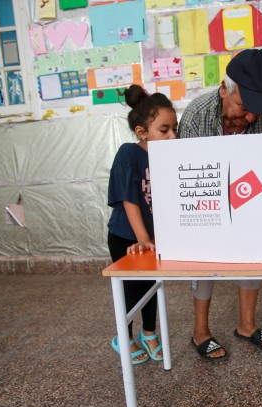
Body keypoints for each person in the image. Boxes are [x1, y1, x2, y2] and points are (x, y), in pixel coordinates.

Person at [177, 49, 262, 361]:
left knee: (252, 250)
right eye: (243, 106)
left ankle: (246, 325)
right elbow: (189, 177)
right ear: (225, 89)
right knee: (202, 257)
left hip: (248, 194)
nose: (249, 117)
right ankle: (200, 331)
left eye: (256, 111)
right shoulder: (197, 115)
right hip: (203, 197)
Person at [107, 84, 178, 365]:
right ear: (141, 132)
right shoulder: (129, 154)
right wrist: (142, 239)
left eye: (175, 129)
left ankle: (149, 333)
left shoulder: (169, 157)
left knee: (152, 286)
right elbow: (130, 200)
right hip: (127, 237)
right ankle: (123, 336)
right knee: (130, 291)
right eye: (164, 130)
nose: (173, 136)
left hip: (153, 238)